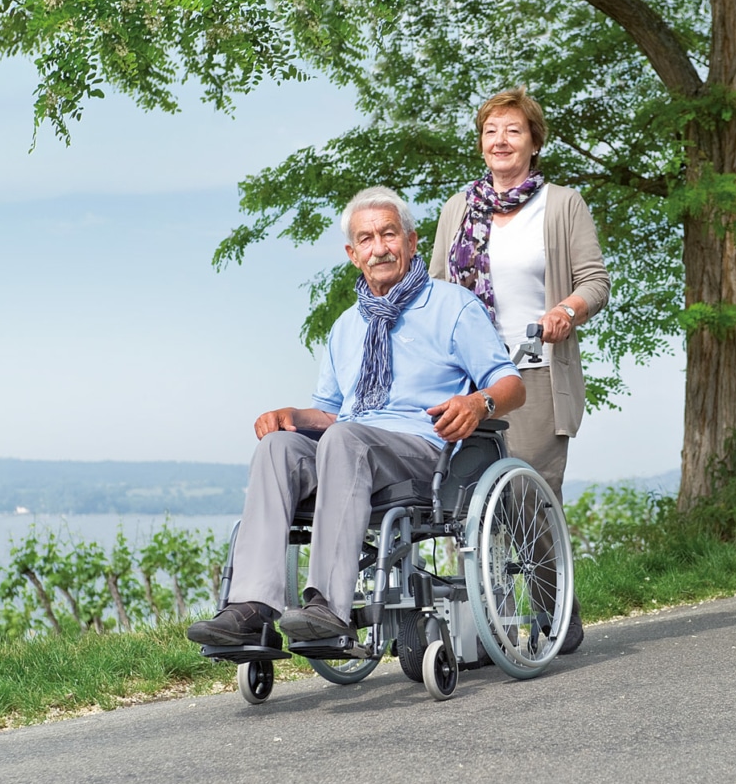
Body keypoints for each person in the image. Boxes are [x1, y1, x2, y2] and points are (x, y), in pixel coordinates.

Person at [187, 186, 525, 649]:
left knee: (346, 439)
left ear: (411, 241)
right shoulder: (348, 325)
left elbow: (510, 383)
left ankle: (327, 603)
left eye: (389, 234)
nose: (379, 247)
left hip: (423, 450)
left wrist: (477, 403)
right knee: (278, 447)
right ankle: (252, 609)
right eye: (366, 239)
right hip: (349, 446)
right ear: (352, 254)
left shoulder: (453, 306)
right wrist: (292, 415)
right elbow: (329, 413)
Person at [430, 87, 611, 654]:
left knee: (530, 499)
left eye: (512, 130)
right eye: (490, 131)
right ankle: (490, 628)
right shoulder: (457, 209)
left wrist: (565, 311)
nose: (500, 140)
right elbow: (434, 289)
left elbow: (594, 283)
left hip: (533, 370)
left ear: (533, 141)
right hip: (469, 375)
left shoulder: (560, 205)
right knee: (472, 507)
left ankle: (555, 608)